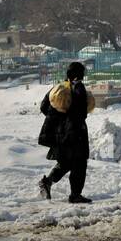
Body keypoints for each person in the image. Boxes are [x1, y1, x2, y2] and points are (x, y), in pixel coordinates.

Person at [38, 61, 95, 203]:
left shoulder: (58, 88)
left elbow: (44, 106)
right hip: (75, 132)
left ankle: (48, 182)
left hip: (59, 133)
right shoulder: (79, 88)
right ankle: (75, 195)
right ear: (79, 74)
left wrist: (59, 120)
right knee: (79, 163)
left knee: (66, 162)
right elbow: (82, 112)